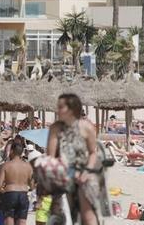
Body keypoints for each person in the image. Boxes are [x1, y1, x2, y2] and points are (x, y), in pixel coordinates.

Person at [46, 93, 109, 225]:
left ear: (72, 109)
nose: (57, 109)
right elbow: (50, 157)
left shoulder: (87, 127)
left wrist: (86, 172)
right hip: (62, 172)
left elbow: (93, 153)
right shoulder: (55, 128)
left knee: (88, 215)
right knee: (58, 215)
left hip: (84, 171)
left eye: (60, 107)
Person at [0, 141, 32, 225]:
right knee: (22, 221)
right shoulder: (28, 166)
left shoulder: (6, 165)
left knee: (9, 220)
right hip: (23, 194)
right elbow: (32, 185)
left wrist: (5, 192)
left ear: (12, 151)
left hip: (10, 194)